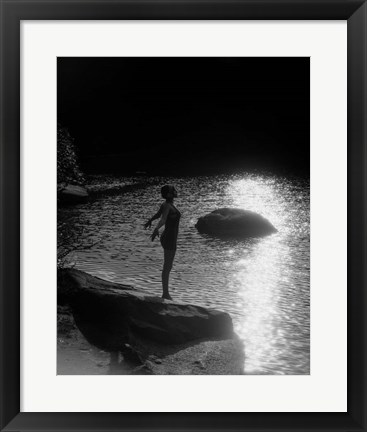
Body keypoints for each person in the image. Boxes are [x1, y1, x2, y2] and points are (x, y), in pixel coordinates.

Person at [144, 185, 181, 300]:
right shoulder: (167, 206)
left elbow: (158, 214)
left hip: (170, 237)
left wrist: (150, 220)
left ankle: (166, 293)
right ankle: (165, 293)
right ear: (169, 194)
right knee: (167, 266)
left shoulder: (167, 205)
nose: (175, 191)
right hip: (169, 237)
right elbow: (163, 219)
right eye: (173, 190)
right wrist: (156, 228)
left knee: (168, 266)